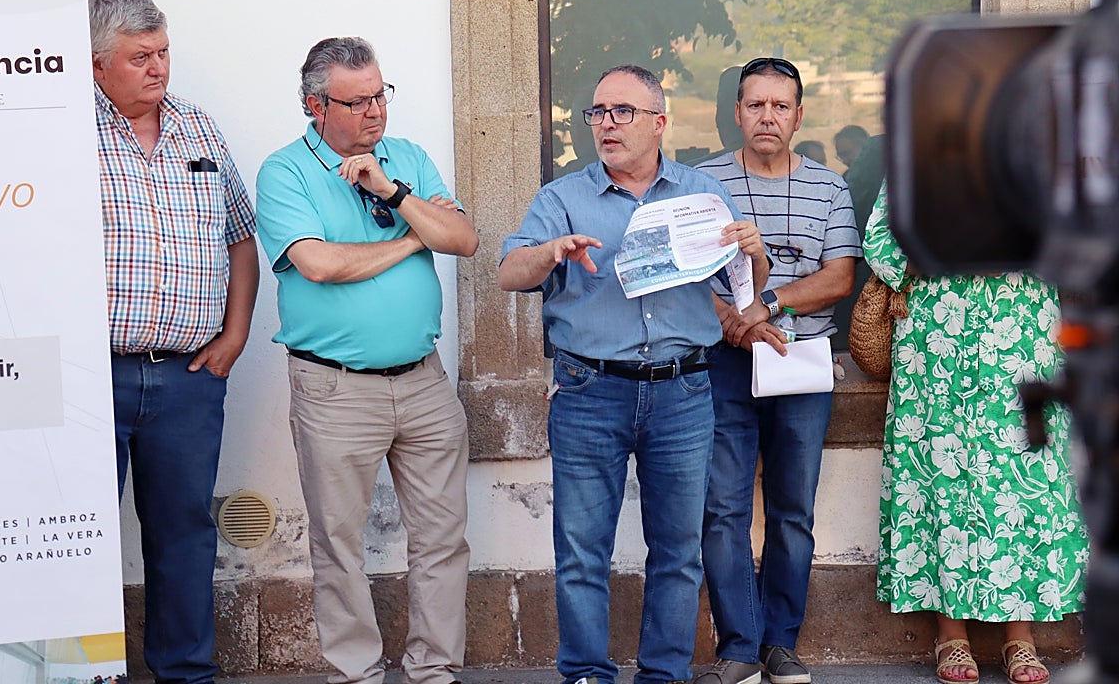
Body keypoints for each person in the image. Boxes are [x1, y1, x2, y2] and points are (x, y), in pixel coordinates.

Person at [499, 64, 770, 684]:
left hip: (684, 391)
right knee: (581, 554)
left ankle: (662, 676)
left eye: (623, 112)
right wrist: (550, 251)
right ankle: (588, 675)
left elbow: (745, 294)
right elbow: (509, 274)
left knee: (678, 553)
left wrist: (753, 254)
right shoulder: (562, 197)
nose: (607, 124)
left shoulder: (702, 195)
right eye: (598, 112)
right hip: (589, 392)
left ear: (659, 123)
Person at [255, 37, 479, 684]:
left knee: (442, 539)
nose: (374, 112)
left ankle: (434, 671)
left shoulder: (404, 158)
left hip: (424, 382)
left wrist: (394, 190)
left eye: (380, 95)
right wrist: (415, 238)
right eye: (356, 102)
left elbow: (463, 239)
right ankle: (356, 675)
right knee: (338, 546)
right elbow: (318, 264)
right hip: (335, 388)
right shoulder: (285, 173)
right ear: (314, 105)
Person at [91, 0, 259, 684]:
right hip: (94, 375)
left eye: (162, 52)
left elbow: (241, 240)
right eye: (139, 57)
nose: (158, 68)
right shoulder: (58, 131)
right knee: (84, 539)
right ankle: (85, 671)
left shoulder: (199, 127)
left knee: (184, 534)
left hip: (190, 376)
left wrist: (235, 335)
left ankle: (186, 672)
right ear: (97, 64)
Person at [863, 184, 1088, 684]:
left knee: (1025, 478)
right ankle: (951, 633)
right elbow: (879, 239)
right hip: (938, 347)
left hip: (1023, 341)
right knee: (942, 476)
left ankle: (1021, 636)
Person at [694, 57, 861, 684]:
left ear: (798, 115)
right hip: (722, 364)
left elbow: (840, 277)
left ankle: (780, 643)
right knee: (723, 508)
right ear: (736, 113)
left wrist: (763, 306)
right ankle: (738, 647)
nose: (768, 116)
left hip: (802, 366)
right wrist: (730, 321)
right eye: (755, 104)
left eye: (780, 105)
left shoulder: (830, 187)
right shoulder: (698, 182)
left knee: (794, 509)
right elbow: (681, 275)